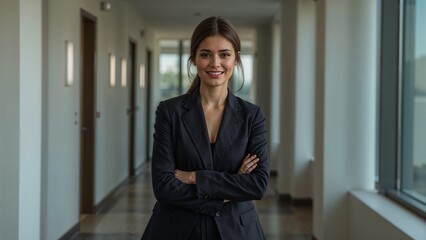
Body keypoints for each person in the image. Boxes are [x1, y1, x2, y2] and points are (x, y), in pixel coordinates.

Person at [141, 16, 269, 240]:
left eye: (224, 54)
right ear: (194, 59)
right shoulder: (169, 112)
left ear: (236, 59)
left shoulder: (251, 115)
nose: (215, 63)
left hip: (237, 231)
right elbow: (163, 186)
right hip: (175, 231)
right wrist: (230, 189)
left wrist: (195, 177)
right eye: (206, 54)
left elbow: (257, 184)